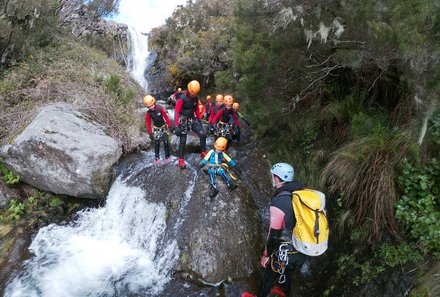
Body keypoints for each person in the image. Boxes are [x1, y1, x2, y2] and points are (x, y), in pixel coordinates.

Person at [242, 163, 307, 297]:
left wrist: (266, 255)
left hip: (287, 251)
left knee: (269, 275)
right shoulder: (299, 193)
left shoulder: (279, 202)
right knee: (287, 271)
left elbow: (274, 234)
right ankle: (283, 291)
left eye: (273, 176)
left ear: (277, 178)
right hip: (303, 247)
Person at [174, 80, 207, 169]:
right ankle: (181, 159)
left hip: (192, 119)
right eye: (192, 94)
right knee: (183, 139)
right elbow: (176, 111)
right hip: (183, 120)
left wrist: (199, 119)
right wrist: (176, 125)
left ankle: (203, 153)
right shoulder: (182, 98)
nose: (193, 95)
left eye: (195, 94)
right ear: (189, 90)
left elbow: (196, 109)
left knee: (203, 134)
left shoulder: (195, 98)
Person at [144, 95, 172, 164]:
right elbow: (148, 123)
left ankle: (167, 157)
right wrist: (150, 133)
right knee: (157, 143)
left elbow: (166, 117)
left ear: (154, 103)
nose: (152, 107)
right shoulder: (148, 113)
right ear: (147, 107)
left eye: (152, 105)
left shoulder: (160, 108)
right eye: (150, 106)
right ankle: (157, 158)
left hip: (163, 127)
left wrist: (170, 125)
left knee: (165, 142)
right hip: (156, 129)